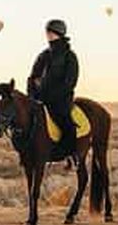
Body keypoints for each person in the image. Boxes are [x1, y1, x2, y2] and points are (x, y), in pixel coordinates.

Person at [27, 19, 79, 160]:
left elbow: (69, 83)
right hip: (39, 99)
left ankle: (71, 153)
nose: (48, 34)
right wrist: (31, 95)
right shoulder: (43, 55)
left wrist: (51, 95)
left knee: (66, 123)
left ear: (59, 33)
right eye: (47, 31)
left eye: (51, 32)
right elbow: (32, 77)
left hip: (60, 100)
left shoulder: (69, 56)